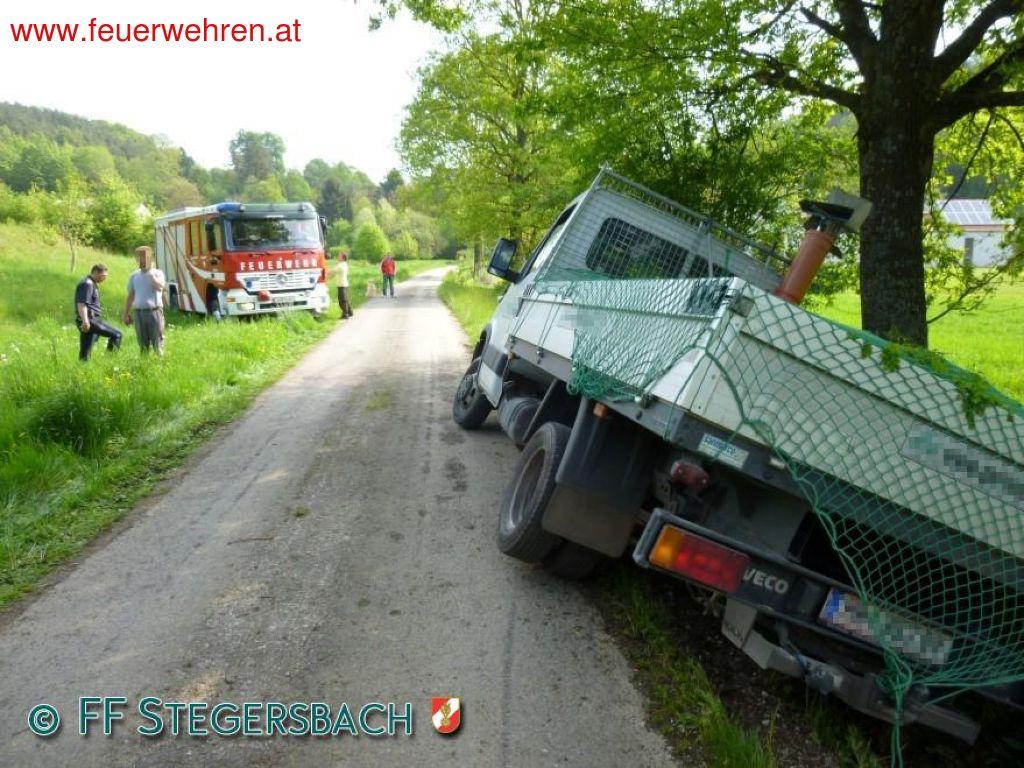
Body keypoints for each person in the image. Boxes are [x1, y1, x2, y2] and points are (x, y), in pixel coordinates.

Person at [123, 246, 167, 356]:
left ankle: (161, 367)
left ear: (150, 258)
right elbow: (130, 296)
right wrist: (126, 313)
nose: (141, 260)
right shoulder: (134, 275)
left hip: (154, 312)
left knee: (157, 343)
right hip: (138, 313)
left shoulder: (157, 273)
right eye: (139, 257)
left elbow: (160, 287)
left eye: (144, 257)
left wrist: (150, 274)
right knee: (142, 345)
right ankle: (144, 368)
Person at [75, 263, 122, 361]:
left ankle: (83, 367)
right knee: (117, 335)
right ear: (95, 273)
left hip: (90, 319)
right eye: (103, 276)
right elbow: (81, 304)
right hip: (90, 320)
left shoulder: (92, 283)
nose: (104, 278)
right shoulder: (87, 284)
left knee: (85, 352)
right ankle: (109, 362)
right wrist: (85, 321)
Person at [336, 251, 353, 318]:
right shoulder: (342, 264)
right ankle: (350, 312)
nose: (338, 256)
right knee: (344, 299)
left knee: (342, 300)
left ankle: (345, 314)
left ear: (343, 258)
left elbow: (334, 271)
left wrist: (325, 272)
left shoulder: (341, 265)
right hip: (342, 284)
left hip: (342, 285)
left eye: (339, 256)